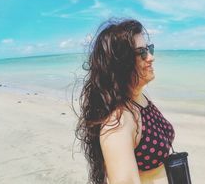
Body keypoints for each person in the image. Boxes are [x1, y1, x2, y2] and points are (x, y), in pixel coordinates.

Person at [75, 18, 175, 184]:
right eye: (142, 52)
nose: (151, 57)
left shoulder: (141, 97)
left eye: (150, 49)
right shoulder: (118, 122)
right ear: (121, 63)